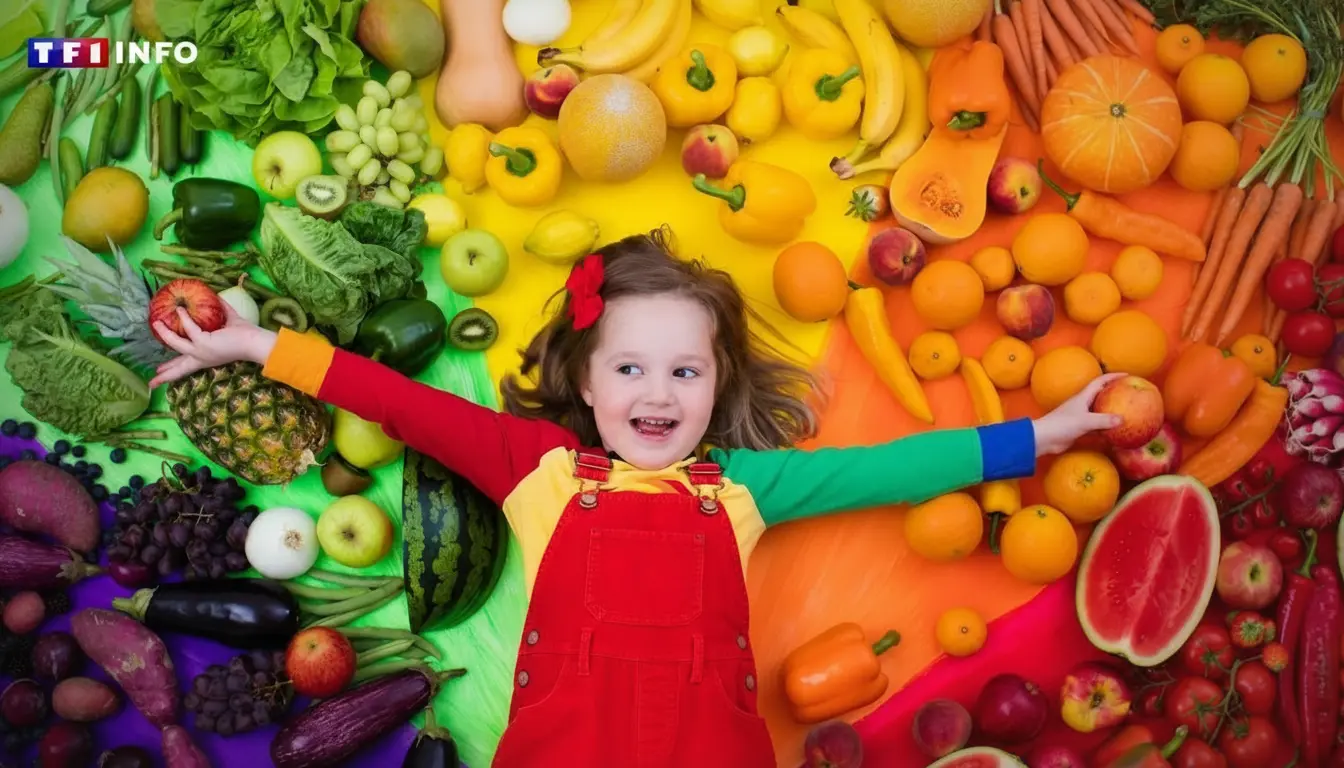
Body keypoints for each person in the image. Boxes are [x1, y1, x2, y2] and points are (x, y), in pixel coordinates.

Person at [149, 228, 1122, 767]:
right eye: (630, 368)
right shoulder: (536, 469)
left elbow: (890, 469)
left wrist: (1039, 436)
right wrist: (252, 345)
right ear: (585, 380)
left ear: (716, 384)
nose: (658, 394)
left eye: (685, 372)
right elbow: (400, 403)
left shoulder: (741, 489)